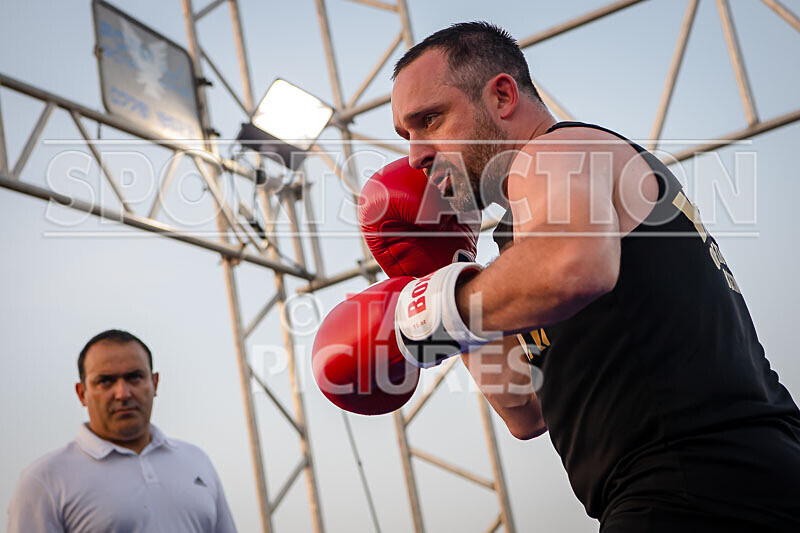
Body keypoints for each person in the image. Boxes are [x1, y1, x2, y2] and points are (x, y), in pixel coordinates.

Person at [313, 22, 800, 531]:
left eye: (430, 120)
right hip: (717, 482)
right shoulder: (524, 238)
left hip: (698, 485)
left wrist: (422, 315)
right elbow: (524, 406)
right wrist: (444, 269)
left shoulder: (558, 152)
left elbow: (573, 267)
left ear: (502, 96)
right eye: (406, 135)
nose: (415, 154)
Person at [7, 329, 237, 533]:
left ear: (155, 383)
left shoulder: (196, 461)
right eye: (105, 381)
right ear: (82, 393)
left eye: (134, 377)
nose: (123, 393)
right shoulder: (45, 480)